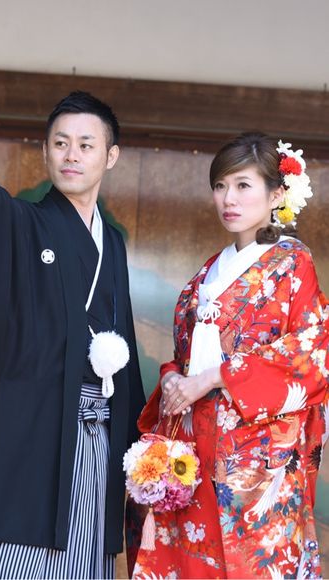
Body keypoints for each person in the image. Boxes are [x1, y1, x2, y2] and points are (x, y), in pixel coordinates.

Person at [0, 91, 146, 579]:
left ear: (110, 156)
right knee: (9, 548)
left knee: (83, 551)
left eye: (86, 145)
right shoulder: (26, 222)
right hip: (30, 422)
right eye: (60, 143)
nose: (72, 155)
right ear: (45, 151)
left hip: (96, 431)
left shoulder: (112, 243)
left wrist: (137, 440)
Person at [126, 132, 329, 579]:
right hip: (195, 449)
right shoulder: (210, 270)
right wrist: (174, 378)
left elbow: (310, 353)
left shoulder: (292, 264)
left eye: (242, 185)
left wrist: (214, 377)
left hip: (254, 461)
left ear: (276, 195)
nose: (228, 198)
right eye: (220, 186)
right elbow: (185, 357)